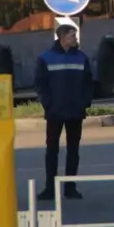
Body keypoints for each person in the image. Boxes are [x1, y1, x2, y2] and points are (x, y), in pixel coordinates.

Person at [34, 24, 94, 201]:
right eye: (72, 36)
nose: (75, 38)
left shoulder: (82, 58)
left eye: (75, 35)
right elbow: (40, 84)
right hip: (55, 112)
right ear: (61, 38)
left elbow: (88, 83)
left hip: (76, 111)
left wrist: (85, 103)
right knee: (52, 151)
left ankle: (70, 187)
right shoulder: (46, 58)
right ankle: (50, 188)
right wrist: (48, 104)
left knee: (73, 151)